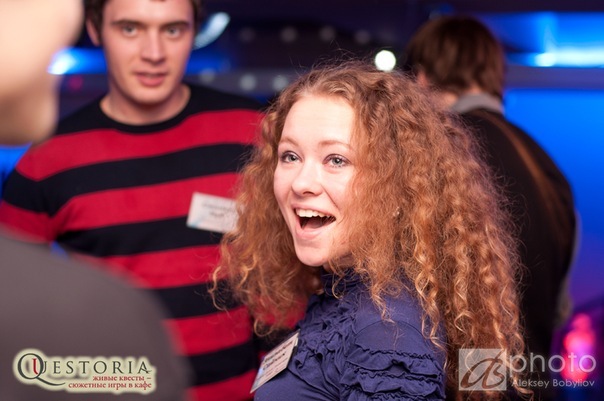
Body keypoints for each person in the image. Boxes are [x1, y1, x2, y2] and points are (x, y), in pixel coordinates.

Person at [212, 61, 530, 400]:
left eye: (336, 160)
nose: (301, 183)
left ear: (396, 190)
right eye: (290, 156)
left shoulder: (387, 334)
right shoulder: (344, 290)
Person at [0, 0, 264, 400]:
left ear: (194, 31)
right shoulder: (45, 161)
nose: (153, 53)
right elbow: (15, 306)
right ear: (95, 29)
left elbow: (288, 273)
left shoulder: (251, 131)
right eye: (130, 28)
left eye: (172, 30)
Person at [405, 15, 577, 401]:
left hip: (465, 388)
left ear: (422, 79)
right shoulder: (548, 167)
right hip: (535, 382)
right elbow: (559, 309)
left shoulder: (434, 152)